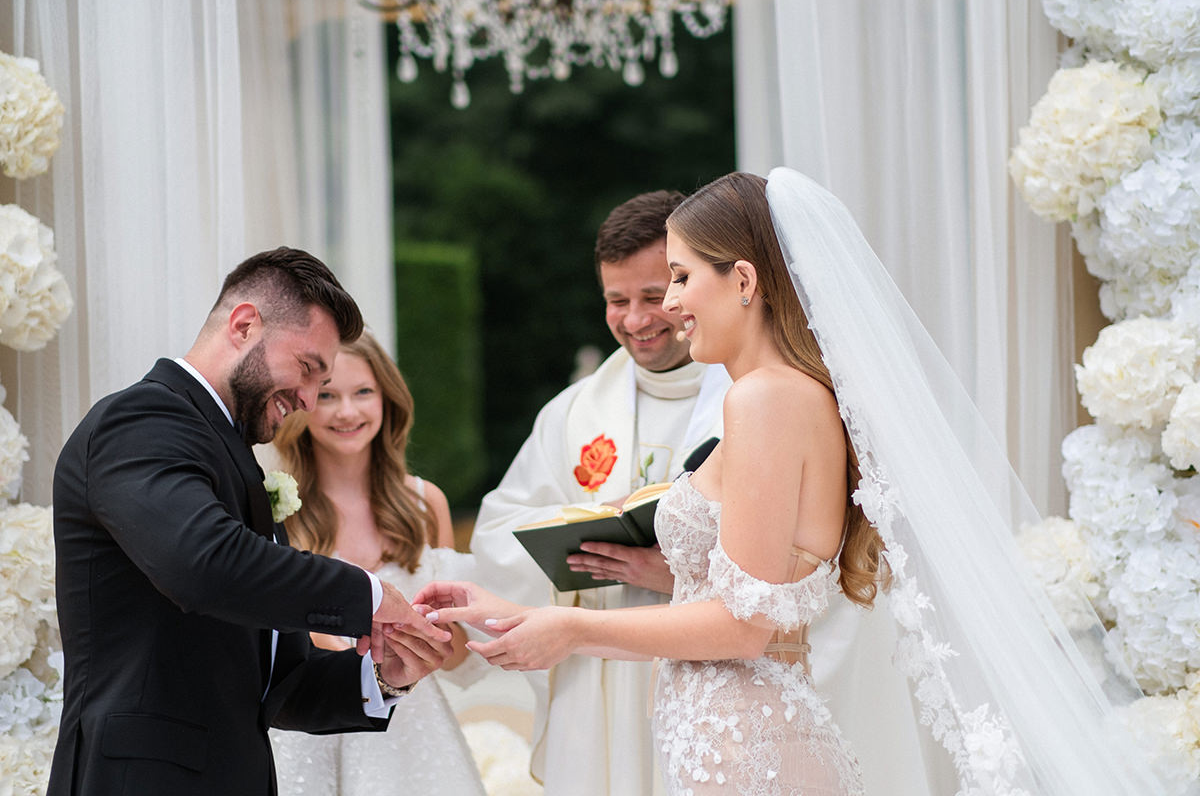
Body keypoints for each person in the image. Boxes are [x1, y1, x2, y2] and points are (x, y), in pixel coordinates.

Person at [418, 170, 1168, 796]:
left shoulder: (767, 398)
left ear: (742, 279)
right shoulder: (788, 393)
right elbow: (746, 599)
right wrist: (507, 610)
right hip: (738, 739)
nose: (670, 304)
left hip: (748, 746)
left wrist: (574, 628)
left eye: (680, 277)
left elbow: (744, 626)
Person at [50, 247, 453, 796]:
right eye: (309, 369)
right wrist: (370, 596)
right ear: (244, 324)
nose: (310, 400)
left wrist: (383, 674)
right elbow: (202, 564)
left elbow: (278, 683)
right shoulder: (142, 419)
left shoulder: (229, 453)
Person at [468, 189, 730, 795]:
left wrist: (682, 572)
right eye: (617, 300)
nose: (635, 320)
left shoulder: (752, 393)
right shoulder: (572, 414)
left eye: (653, 295)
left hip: (717, 668)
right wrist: (588, 529)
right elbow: (497, 533)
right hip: (601, 678)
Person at [267, 331, 486, 796]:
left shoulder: (425, 503)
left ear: (387, 400)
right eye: (327, 395)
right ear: (302, 402)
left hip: (411, 736)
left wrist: (436, 632)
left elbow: (453, 656)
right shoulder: (276, 507)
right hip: (309, 733)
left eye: (363, 392)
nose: (347, 411)